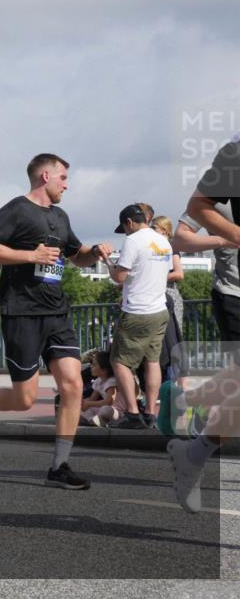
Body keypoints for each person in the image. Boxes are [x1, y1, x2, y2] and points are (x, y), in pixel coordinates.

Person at [0, 153, 112, 490]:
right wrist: (32, 255)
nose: (67, 185)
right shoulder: (16, 209)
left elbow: (77, 257)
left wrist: (95, 253)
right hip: (21, 312)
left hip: (56, 312)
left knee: (73, 384)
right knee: (25, 398)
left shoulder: (60, 216)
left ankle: (59, 466)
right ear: (45, 176)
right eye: (63, 178)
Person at [162, 139, 240, 512]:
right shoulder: (232, 162)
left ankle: (193, 428)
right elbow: (183, 232)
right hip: (234, 291)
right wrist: (231, 236)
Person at [104, 204, 172, 429]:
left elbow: (120, 276)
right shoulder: (163, 241)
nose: (125, 232)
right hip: (160, 310)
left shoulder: (133, 241)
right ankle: (151, 413)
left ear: (129, 222)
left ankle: (133, 414)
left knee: (119, 362)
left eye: (124, 228)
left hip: (137, 311)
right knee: (152, 361)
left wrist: (106, 260)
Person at [152, 215, 187, 386]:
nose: (151, 231)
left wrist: (155, 276)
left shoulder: (171, 247)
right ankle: (164, 381)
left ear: (164, 230)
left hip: (169, 294)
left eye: (154, 228)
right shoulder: (155, 248)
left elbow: (179, 273)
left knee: (174, 339)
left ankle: (178, 382)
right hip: (157, 295)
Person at [79, 351, 122, 427]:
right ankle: (93, 420)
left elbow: (109, 401)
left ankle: (96, 420)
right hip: (104, 409)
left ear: (104, 370)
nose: (91, 366)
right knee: (83, 410)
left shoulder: (111, 381)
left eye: (94, 365)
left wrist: (89, 404)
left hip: (118, 411)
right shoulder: (98, 381)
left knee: (105, 409)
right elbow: (92, 398)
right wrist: (82, 403)